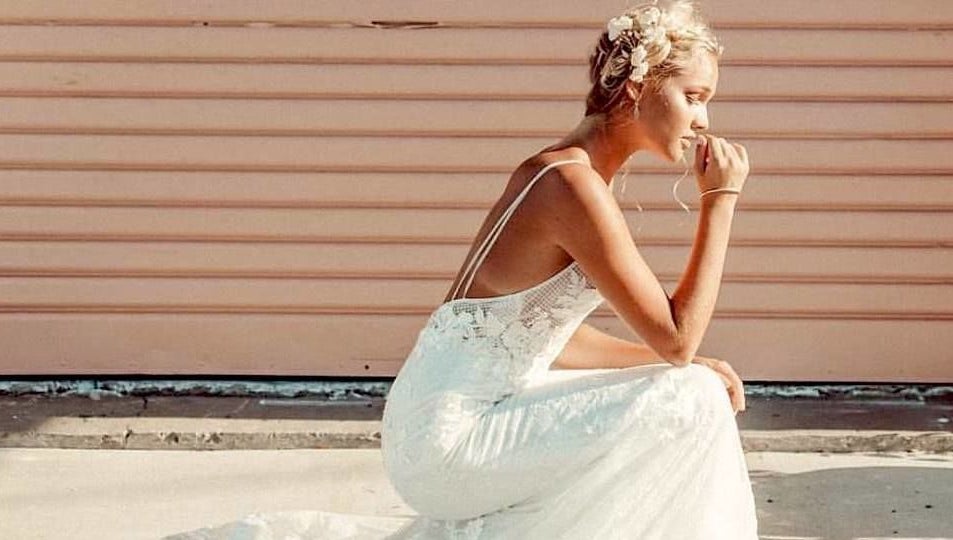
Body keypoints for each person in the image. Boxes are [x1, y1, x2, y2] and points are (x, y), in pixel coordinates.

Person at [164, 1, 758, 538]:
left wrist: (670, 361)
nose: (703, 118)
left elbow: (549, 336)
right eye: (693, 95)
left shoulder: (566, 174)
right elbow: (678, 338)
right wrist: (720, 199)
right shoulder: (571, 185)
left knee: (683, 383)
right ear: (636, 87)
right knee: (694, 397)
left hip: (449, 420)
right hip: (445, 442)